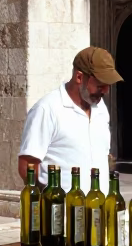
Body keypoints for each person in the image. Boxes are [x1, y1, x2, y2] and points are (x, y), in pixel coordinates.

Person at [17, 46, 123, 193]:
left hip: (99, 205)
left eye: (108, 85)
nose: (106, 91)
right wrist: (48, 199)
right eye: (101, 85)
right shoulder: (47, 109)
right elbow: (27, 166)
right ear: (79, 77)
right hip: (62, 207)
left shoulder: (100, 108)